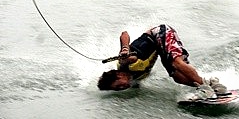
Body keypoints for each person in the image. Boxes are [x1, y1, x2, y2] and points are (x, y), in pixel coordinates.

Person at [97, 24, 228, 98]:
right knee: (178, 77)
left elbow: (124, 34)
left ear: (119, 75)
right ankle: (211, 83)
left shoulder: (125, 64)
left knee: (176, 63)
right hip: (160, 49)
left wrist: (125, 49)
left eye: (118, 86)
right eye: (118, 90)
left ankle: (205, 88)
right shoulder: (134, 80)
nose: (122, 88)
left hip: (160, 33)